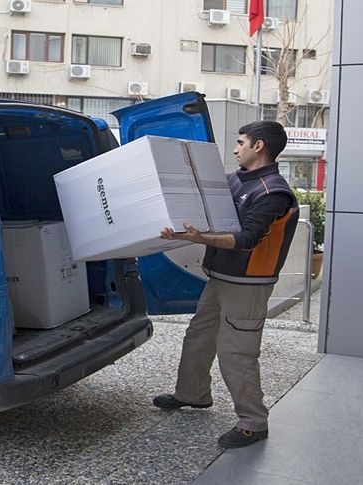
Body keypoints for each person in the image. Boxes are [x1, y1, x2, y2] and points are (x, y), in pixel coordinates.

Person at [153, 121, 299, 448]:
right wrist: (179, 231)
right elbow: (207, 213)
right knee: (199, 336)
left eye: (240, 142)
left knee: (236, 352)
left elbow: (247, 239)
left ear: (258, 146)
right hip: (220, 275)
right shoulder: (234, 180)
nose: (235, 149)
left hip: (248, 283)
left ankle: (253, 422)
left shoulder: (272, 192)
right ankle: (193, 394)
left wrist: (199, 238)